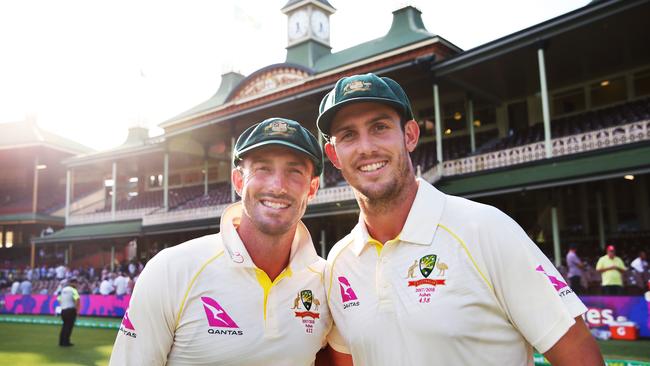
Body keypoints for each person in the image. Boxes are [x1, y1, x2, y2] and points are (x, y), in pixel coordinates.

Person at [316, 73, 603, 365]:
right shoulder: (340, 261)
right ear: (334, 155)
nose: (366, 148)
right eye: (349, 135)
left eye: (380, 127)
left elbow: (577, 354)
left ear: (410, 135)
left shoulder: (486, 228)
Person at [109, 118, 332, 365]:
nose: (277, 186)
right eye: (262, 169)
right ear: (238, 181)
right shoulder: (171, 269)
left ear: (312, 188)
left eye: (294, 172)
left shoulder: (327, 281)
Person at [57, 277, 80, 347]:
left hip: (63, 310)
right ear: (74, 283)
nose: (77, 285)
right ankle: (66, 342)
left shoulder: (63, 289)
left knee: (64, 326)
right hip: (70, 310)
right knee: (69, 327)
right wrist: (76, 309)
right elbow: (77, 299)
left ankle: (61, 342)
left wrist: (63, 305)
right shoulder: (74, 290)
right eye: (77, 283)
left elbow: (59, 299)